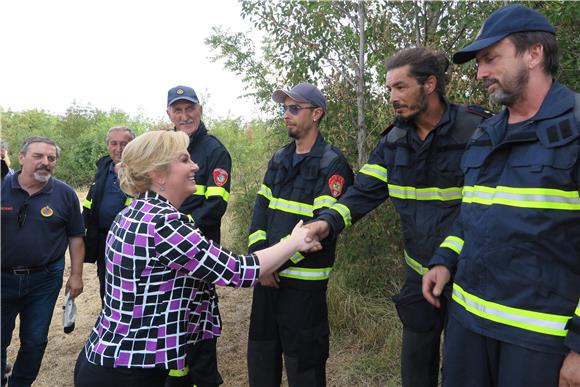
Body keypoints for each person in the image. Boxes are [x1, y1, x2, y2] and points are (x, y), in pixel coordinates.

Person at [73, 130, 320, 387]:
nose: (195, 166)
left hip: (115, 361)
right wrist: (295, 241)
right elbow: (238, 271)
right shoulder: (162, 223)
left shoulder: (134, 212)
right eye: (183, 160)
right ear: (158, 174)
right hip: (125, 373)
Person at [304, 48, 490, 387]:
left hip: (471, 281)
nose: (392, 97)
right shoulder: (393, 140)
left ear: (430, 84)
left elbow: (487, 209)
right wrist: (327, 222)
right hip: (418, 281)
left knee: (465, 375)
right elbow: (362, 192)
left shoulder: (477, 131)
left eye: (400, 87)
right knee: (415, 373)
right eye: (389, 89)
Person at [421, 4, 580, 387]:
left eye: (491, 58)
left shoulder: (575, 126)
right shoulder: (485, 133)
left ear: (533, 54)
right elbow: (472, 215)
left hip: (540, 342)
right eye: (479, 63)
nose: (481, 73)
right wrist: (444, 259)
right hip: (467, 326)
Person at [246, 82, 354, 387]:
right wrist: (261, 260)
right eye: (284, 108)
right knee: (261, 365)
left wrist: (270, 264)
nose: (286, 115)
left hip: (303, 290)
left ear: (316, 113)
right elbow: (260, 211)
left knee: (304, 372)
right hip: (266, 283)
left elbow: (320, 230)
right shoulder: (279, 158)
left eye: (294, 108)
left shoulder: (332, 164)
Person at [1, 136, 85, 387]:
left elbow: (76, 237)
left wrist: (76, 275)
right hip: (2, 279)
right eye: (38, 156)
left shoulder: (66, 194)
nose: (45, 162)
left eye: (51, 158)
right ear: (21, 157)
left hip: (44, 281)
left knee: (35, 341)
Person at [165, 85, 231, 387]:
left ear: (200, 110)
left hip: (197, 253)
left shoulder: (215, 151)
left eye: (189, 108)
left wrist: (176, 229)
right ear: (169, 114)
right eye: (177, 110)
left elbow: (216, 206)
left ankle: (204, 378)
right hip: (163, 256)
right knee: (168, 323)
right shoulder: (163, 147)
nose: (184, 115)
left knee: (199, 324)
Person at [83, 126, 135, 304]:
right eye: (114, 143)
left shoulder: (141, 171)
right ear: (107, 145)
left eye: (124, 144)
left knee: (128, 287)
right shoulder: (103, 168)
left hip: (130, 241)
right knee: (105, 285)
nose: (118, 149)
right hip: (103, 240)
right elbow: (90, 204)